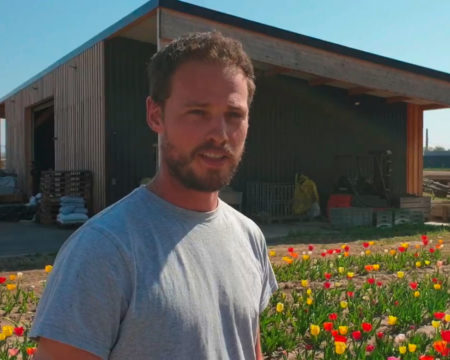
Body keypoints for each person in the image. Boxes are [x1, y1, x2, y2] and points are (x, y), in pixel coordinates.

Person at [31, 31, 278, 360]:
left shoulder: (250, 237)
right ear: (155, 114)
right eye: (197, 112)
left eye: (234, 115)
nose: (220, 135)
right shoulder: (103, 250)